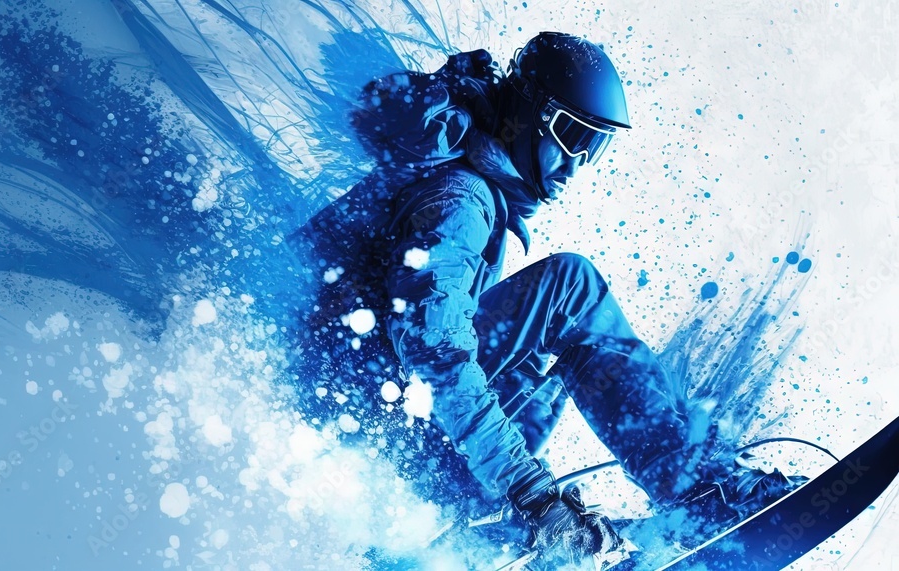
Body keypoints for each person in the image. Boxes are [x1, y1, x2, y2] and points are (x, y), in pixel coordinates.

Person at [283, 31, 801, 565]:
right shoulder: (460, 199)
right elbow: (432, 345)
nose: (576, 165)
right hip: (368, 420)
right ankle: (705, 496)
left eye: (594, 147)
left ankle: (496, 540)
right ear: (528, 112)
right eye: (572, 135)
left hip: (375, 433)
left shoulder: (466, 186)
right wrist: (531, 492)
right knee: (569, 291)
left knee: (542, 360)